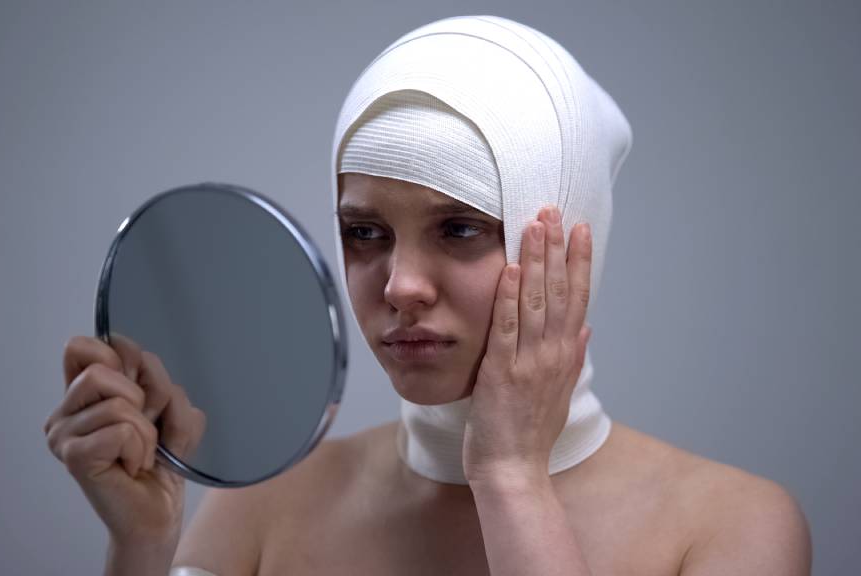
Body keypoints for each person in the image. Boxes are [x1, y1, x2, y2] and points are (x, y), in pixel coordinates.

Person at [44, 15, 811, 576]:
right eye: (366, 233)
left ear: (577, 238)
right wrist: (142, 550)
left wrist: (512, 480)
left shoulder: (730, 528)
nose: (401, 286)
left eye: (460, 228)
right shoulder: (263, 507)